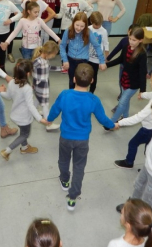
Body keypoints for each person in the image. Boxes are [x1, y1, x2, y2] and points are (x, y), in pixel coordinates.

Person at [47, 63, 115, 211]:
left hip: (65, 137)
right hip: (82, 140)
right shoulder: (93, 100)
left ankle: (64, 180)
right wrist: (112, 125)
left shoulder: (65, 94)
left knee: (63, 160)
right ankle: (72, 197)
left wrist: (49, 119)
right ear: (92, 81)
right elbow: (102, 119)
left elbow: (54, 110)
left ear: (73, 78)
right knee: (79, 167)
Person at [113, 68, 152, 169]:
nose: (151, 82)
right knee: (149, 149)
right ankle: (149, 166)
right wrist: (143, 95)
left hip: (148, 129)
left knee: (133, 143)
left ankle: (129, 162)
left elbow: (139, 116)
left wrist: (120, 123)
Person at [0, 59, 49, 160]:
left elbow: (8, 96)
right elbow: (31, 106)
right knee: (25, 134)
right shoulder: (27, 88)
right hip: (24, 117)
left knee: (23, 132)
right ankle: (7, 151)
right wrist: (40, 119)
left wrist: (1, 92)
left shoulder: (12, 82)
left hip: (15, 115)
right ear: (27, 73)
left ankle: (24, 147)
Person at [106, 26, 147, 124]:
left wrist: (142, 90)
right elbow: (120, 59)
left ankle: (112, 123)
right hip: (124, 79)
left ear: (140, 40)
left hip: (133, 84)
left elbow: (142, 72)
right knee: (126, 100)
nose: (131, 42)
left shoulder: (142, 54)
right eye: (130, 39)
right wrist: (107, 65)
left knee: (121, 103)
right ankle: (125, 117)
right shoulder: (126, 47)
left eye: (134, 40)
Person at [59, 12, 106, 89]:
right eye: (77, 25)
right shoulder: (68, 31)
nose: (79, 28)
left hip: (83, 61)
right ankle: (73, 97)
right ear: (73, 22)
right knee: (72, 81)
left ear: (86, 25)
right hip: (71, 60)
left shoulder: (88, 32)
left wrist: (102, 61)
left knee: (82, 82)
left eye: (82, 26)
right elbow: (62, 45)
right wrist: (65, 60)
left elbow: (97, 46)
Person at [32, 42, 62, 132]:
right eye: (54, 54)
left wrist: (61, 68)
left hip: (43, 84)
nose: (54, 56)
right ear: (48, 53)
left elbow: (48, 68)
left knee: (38, 99)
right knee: (45, 104)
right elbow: (29, 68)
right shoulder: (37, 61)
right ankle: (48, 124)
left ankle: (32, 111)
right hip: (41, 86)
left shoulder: (45, 59)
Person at [107, 24, 140, 102]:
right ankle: (122, 93)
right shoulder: (124, 40)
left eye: (134, 39)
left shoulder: (138, 46)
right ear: (128, 31)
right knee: (121, 80)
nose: (131, 41)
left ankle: (125, 95)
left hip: (133, 70)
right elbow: (116, 49)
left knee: (129, 83)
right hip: (123, 65)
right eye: (130, 32)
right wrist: (108, 58)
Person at [87, 11, 109, 94]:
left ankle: (91, 91)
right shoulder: (88, 29)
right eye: (96, 25)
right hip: (87, 56)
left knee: (94, 75)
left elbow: (106, 43)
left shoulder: (104, 31)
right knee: (85, 72)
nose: (98, 26)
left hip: (96, 58)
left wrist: (107, 55)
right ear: (91, 22)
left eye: (99, 24)